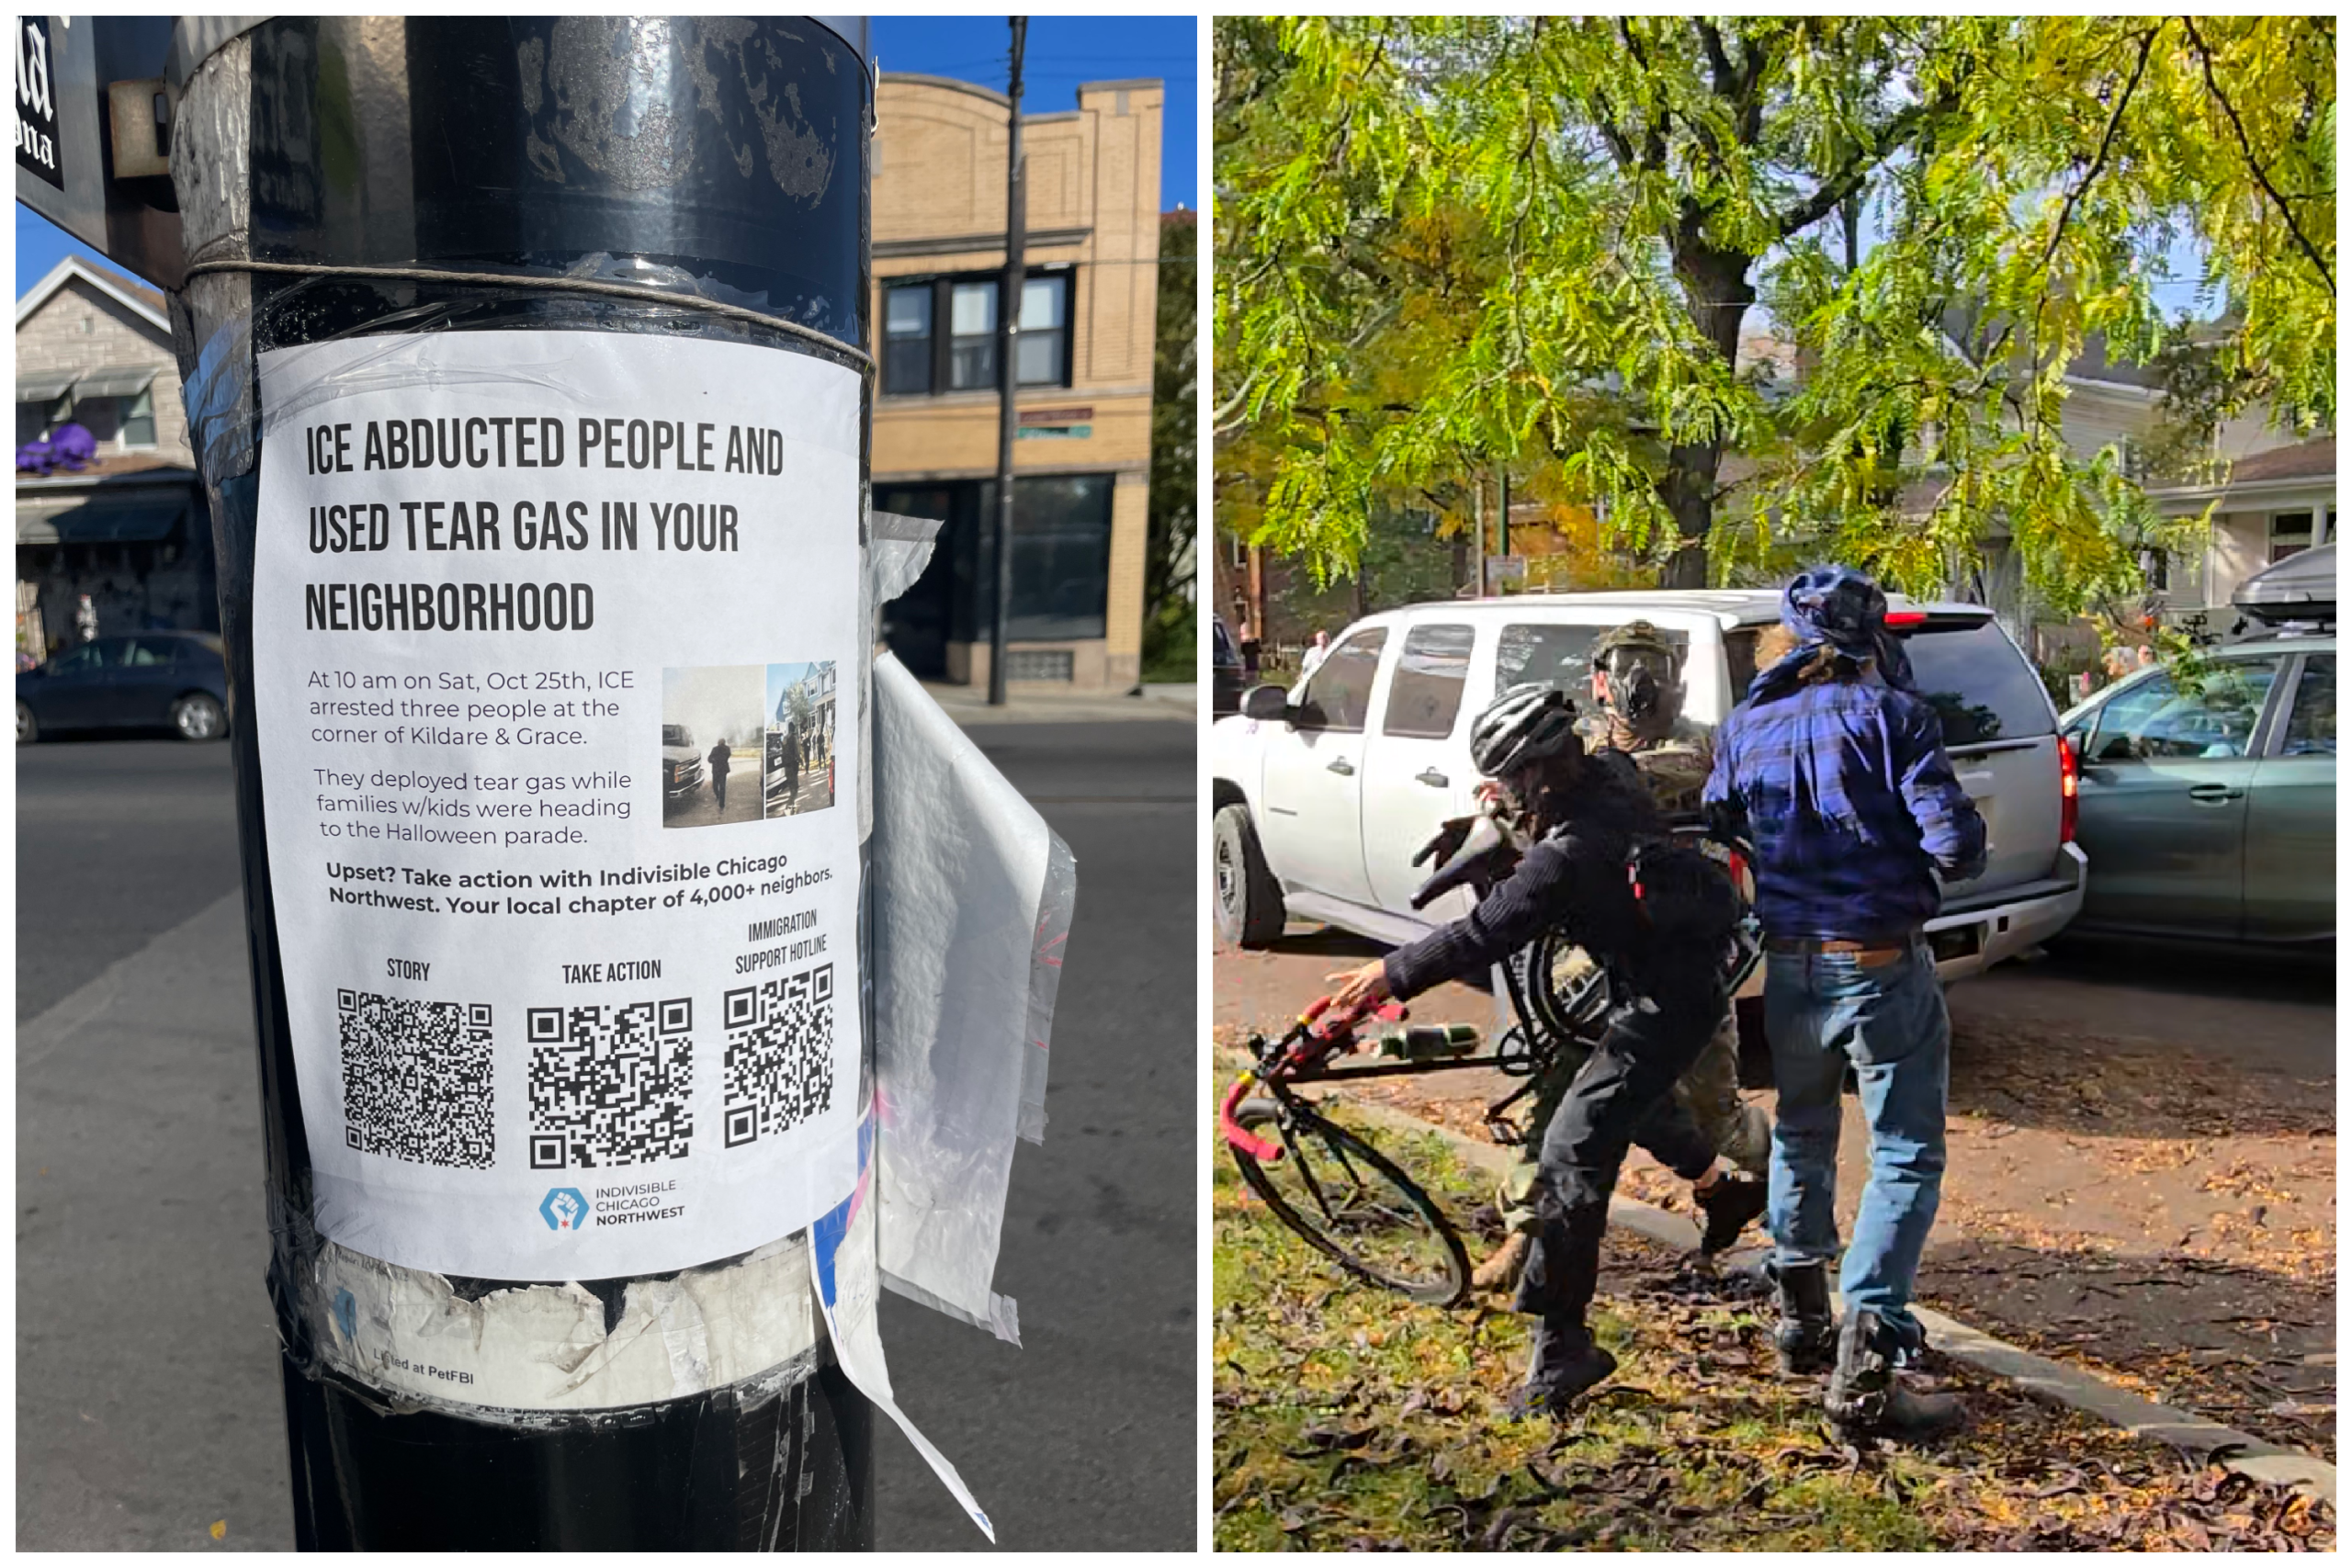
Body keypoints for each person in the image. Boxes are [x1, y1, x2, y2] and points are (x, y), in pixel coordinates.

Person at [1326, 683, 1748, 1414]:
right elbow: (1537, 862)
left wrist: (1389, 973)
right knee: (1620, 1103)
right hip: (1663, 983)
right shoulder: (1611, 775)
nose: (1499, 790)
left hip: (1666, 1006)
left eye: (1506, 778)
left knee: (1570, 1154)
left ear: (1539, 771)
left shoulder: (1570, 852)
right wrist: (1487, 830)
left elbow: (1485, 931)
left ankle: (1562, 1350)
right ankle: (1727, 1190)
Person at [1704, 566, 1987, 1441]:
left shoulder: (1746, 725)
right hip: (1880, 960)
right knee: (1905, 1152)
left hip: (1791, 964)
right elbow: (1954, 843)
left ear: (1786, 642)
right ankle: (1866, 1365)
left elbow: (1720, 820)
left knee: (1802, 1129)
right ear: (1870, 643)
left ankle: (1801, 1321)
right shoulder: (1894, 717)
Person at [1466, 620, 1770, 1294]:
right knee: (1558, 1086)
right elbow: (1526, 820)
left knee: (1711, 1109)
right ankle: (1527, 1235)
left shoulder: (1699, 744)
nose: (1640, 680)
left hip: (1681, 957)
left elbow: (1672, 777)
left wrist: (1575, 781)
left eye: (1652, 664)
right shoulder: (1574, 747)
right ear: (1598, 680)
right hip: (1585, 961)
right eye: (1627, 665)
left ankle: (1779, 1198)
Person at [707, 735, 733, 811]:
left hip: (718, 770)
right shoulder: (723, 749)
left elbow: (710, 759)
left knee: (718, 786)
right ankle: (720, 800)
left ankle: (720, 800)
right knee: (720, 786)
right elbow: (710, 758)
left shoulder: (719, 749)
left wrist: (714, 760)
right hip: (720, 770)